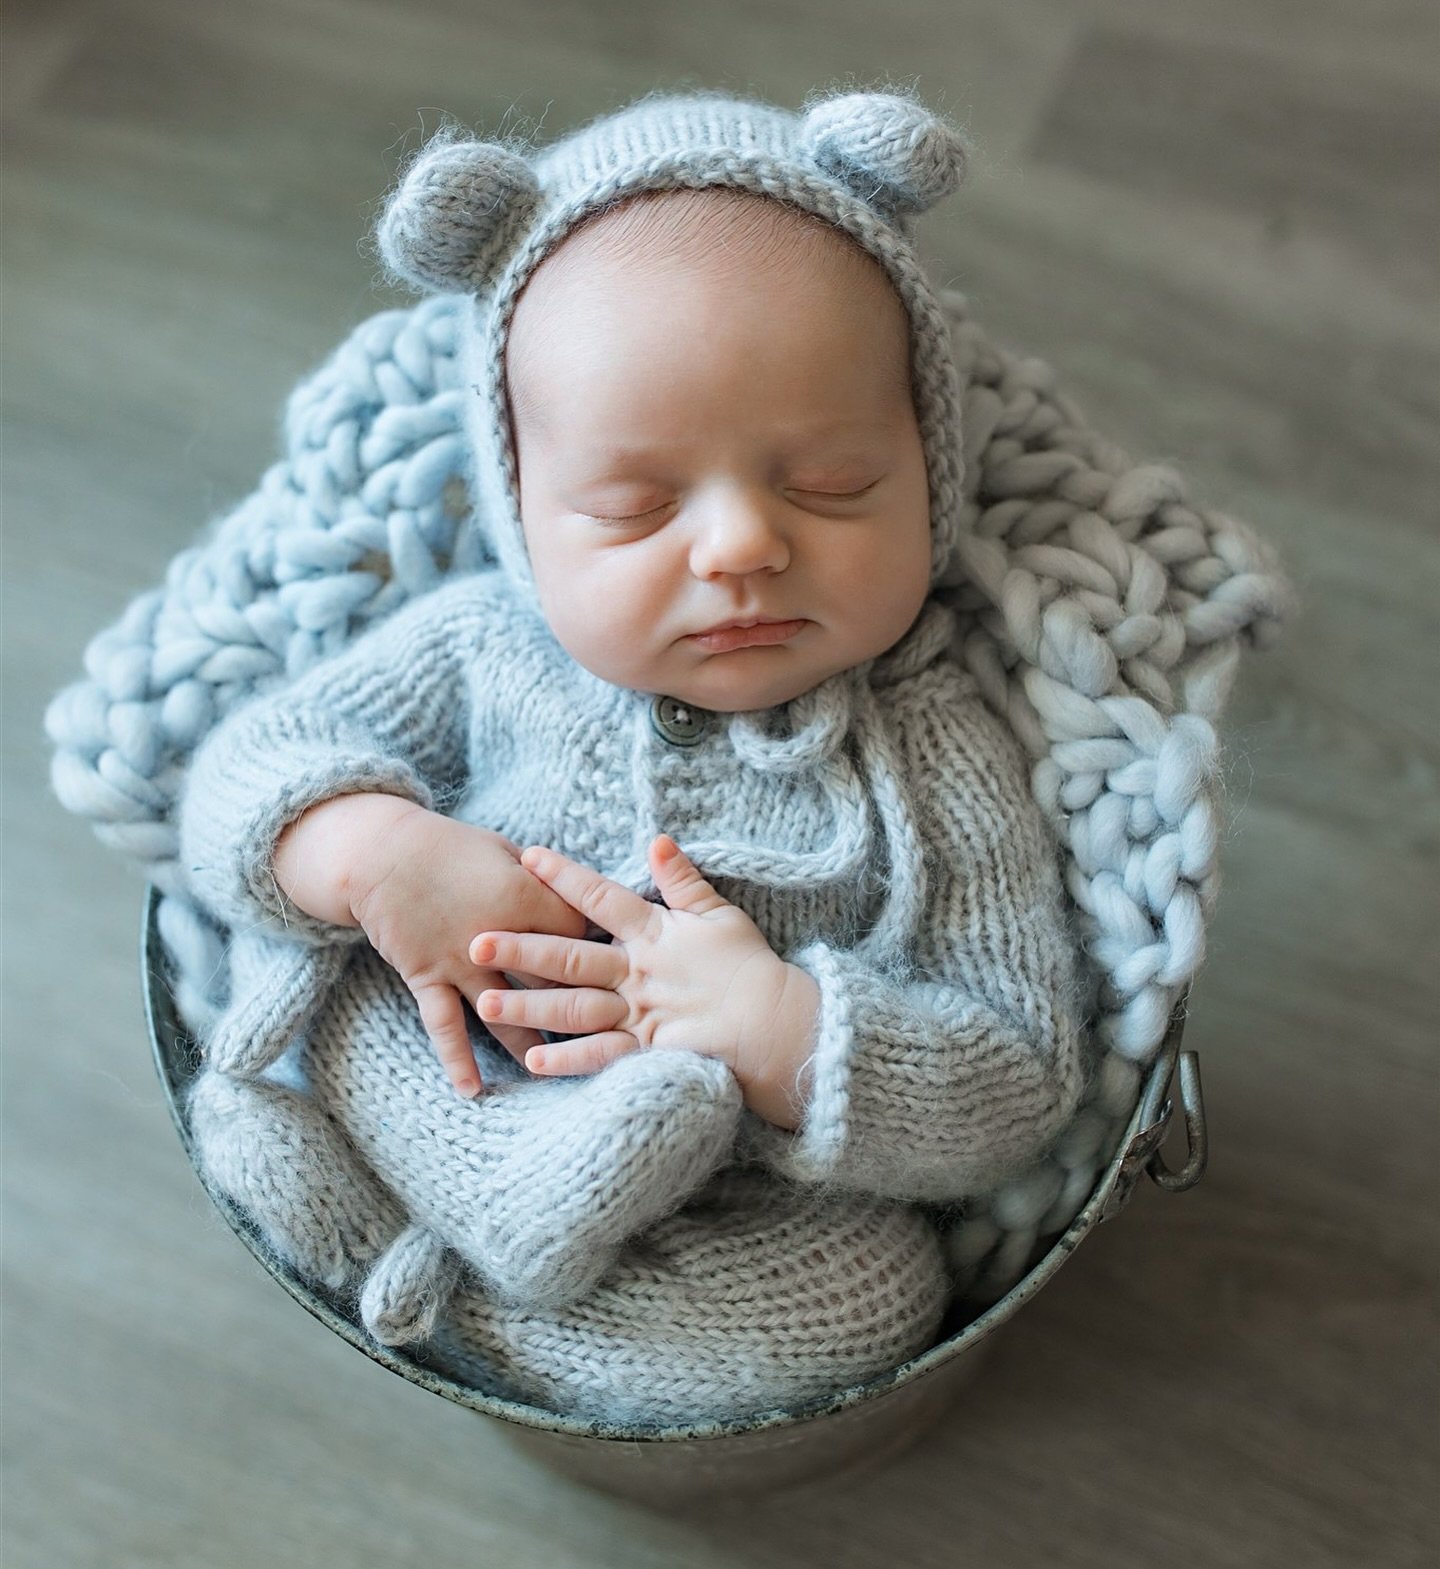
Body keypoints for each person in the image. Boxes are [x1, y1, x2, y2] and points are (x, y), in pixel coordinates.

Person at [176, 87, 1088, 1424]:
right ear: (523, 508)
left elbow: (1018, 1070)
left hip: (710, 1187)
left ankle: (450, 1284)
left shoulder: (935, 747)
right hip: (441, 1039)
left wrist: (783, 1030)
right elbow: (249, 765)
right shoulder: (489, 645)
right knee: (326, 958)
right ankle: (460, 1183)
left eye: (833, 482)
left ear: (931, 465)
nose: (738, 548)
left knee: (876, 1292)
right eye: (633, 504)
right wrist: (380, 851)